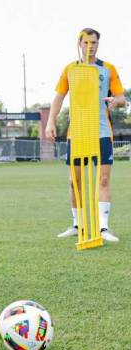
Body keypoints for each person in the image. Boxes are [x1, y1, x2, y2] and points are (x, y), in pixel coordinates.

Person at [45, 28, 126, 242]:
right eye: (86, 42)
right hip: (78, 132)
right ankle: (77, 224)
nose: (90, 46)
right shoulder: (70, 69)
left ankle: (103, 228)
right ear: (79, 44)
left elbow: (121, 98)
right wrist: (50, 121)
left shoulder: (107, 69)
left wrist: (115, 101)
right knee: (75, 181)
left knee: (104, 179)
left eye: (94, 43)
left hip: (101, 130)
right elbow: (59, 97)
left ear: (98, 44)